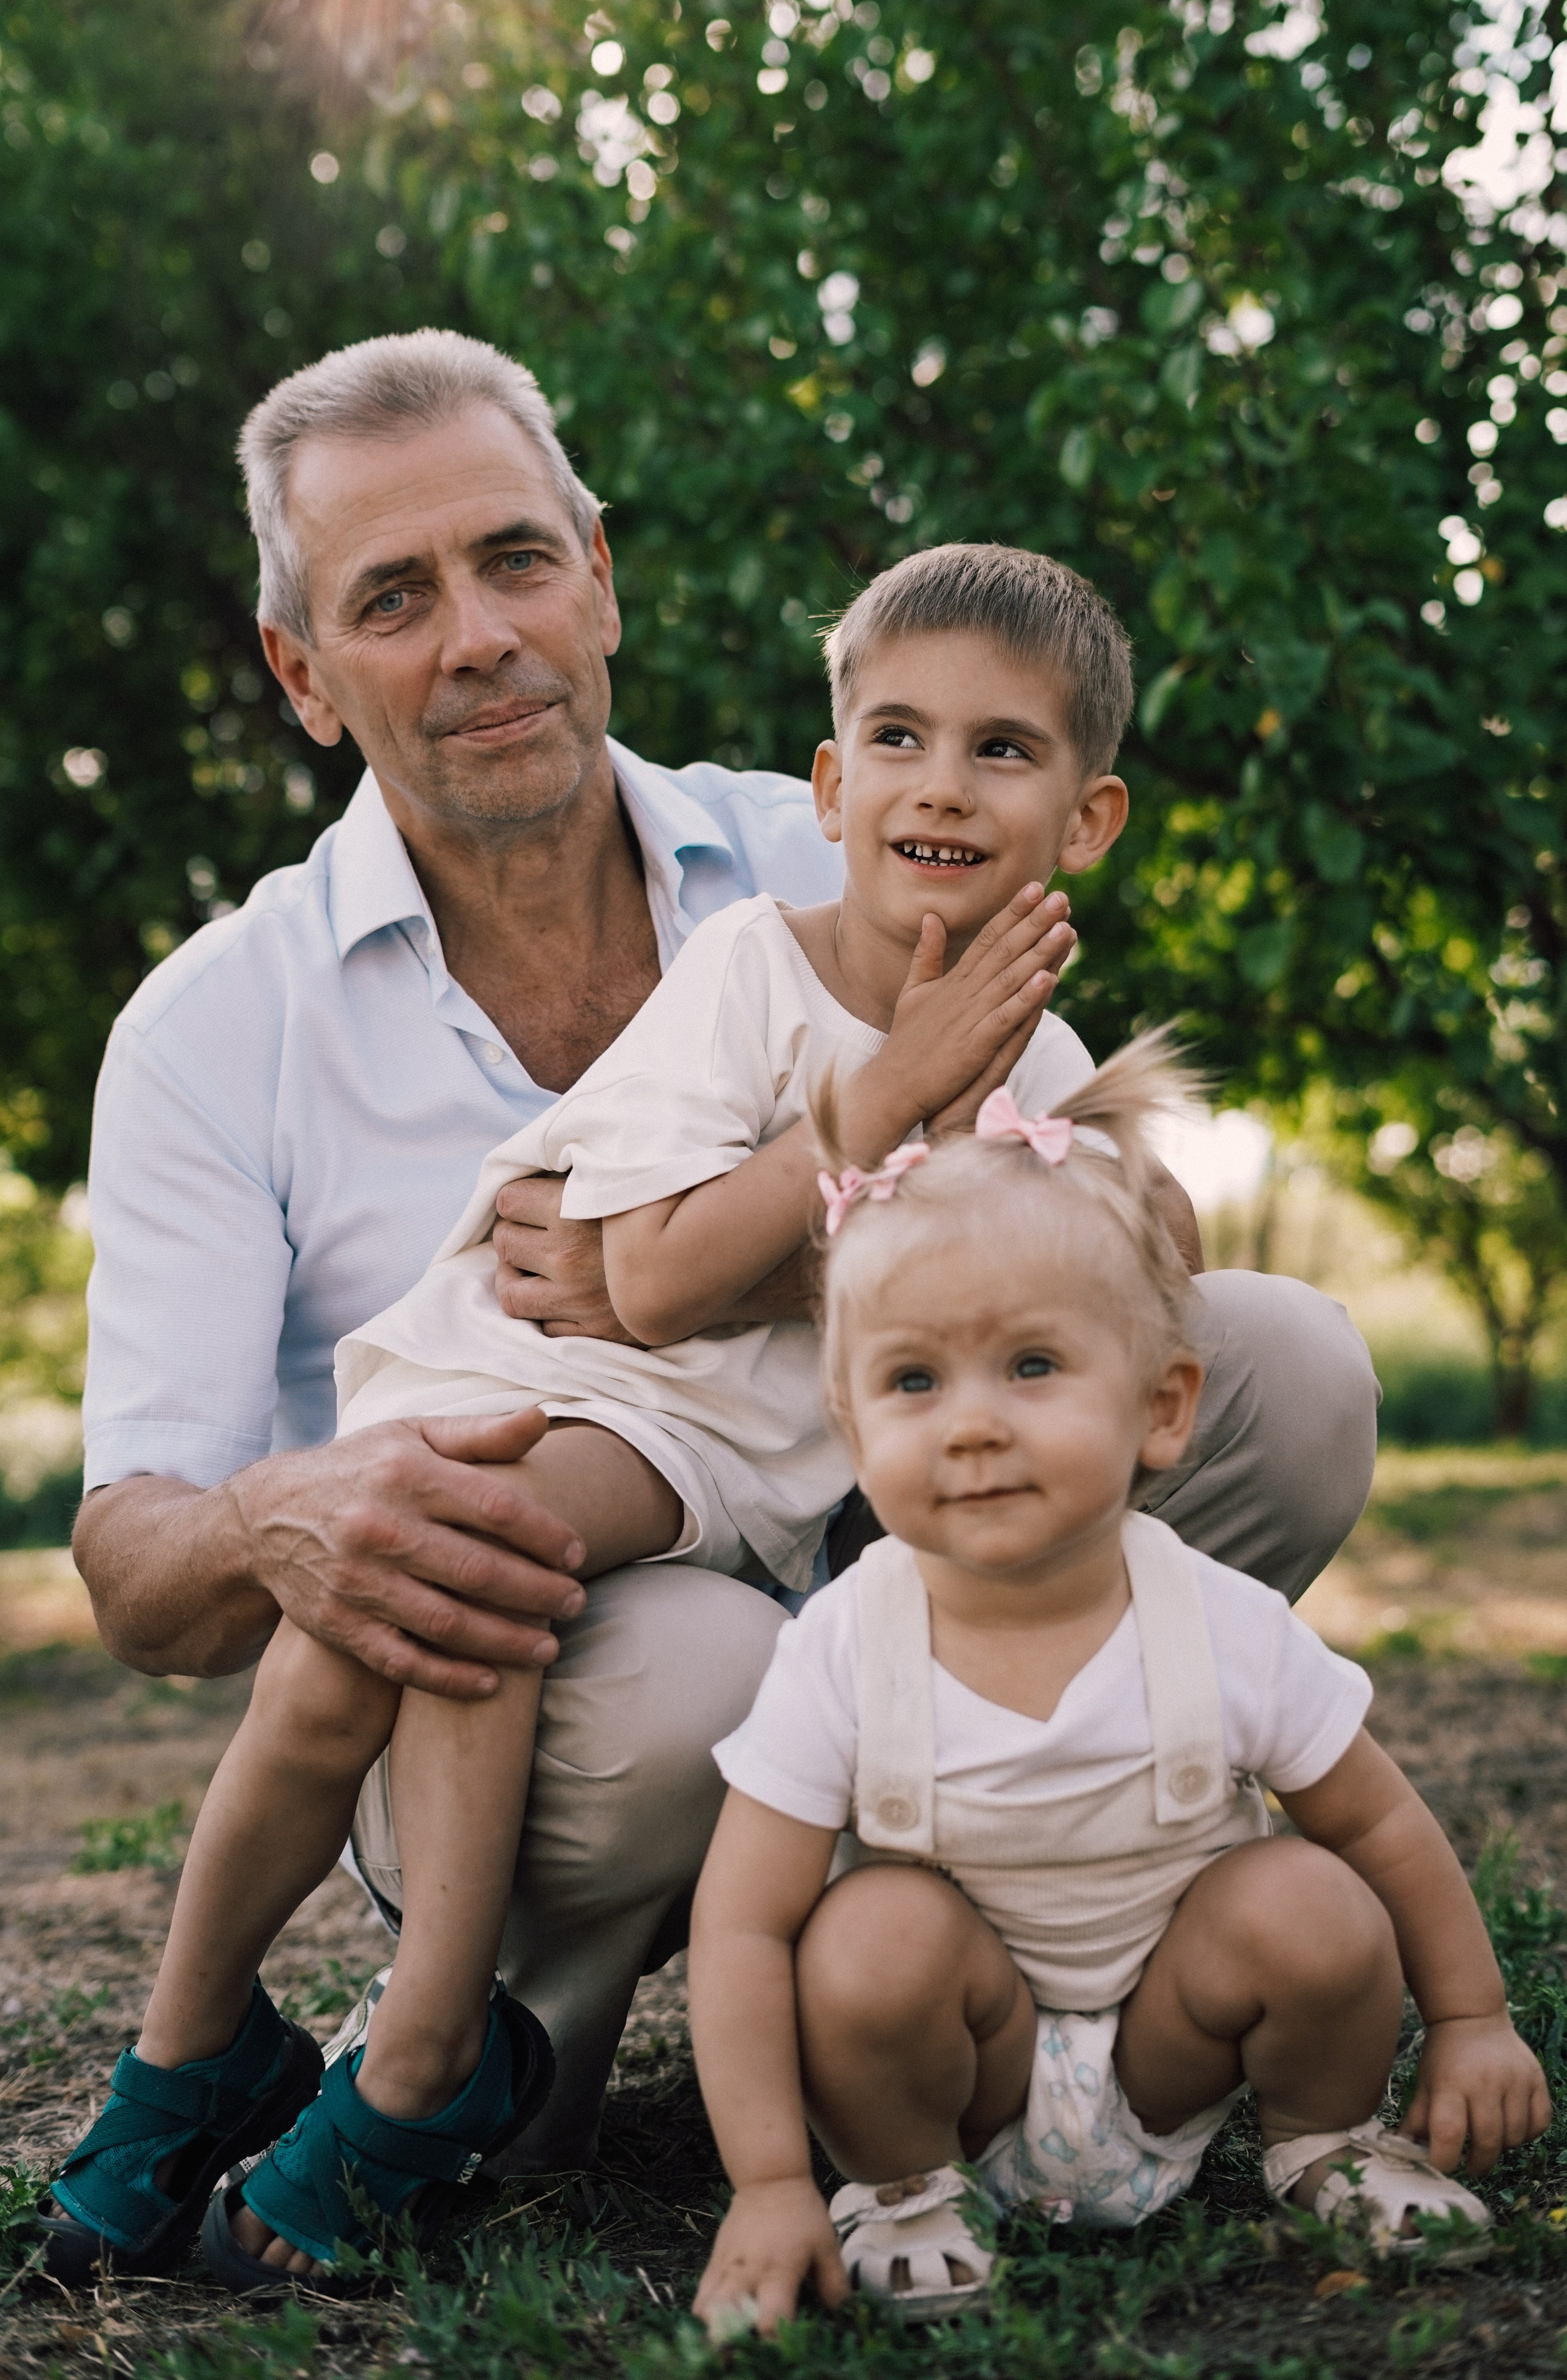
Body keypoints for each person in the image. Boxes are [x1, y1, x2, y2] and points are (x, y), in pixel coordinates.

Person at [70, 328, 1377, 2198]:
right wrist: (285, 1515)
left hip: (888, 1514)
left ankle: (1014, 1913)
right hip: (557, 1647)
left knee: (1281, 1363)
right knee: (698, 1654)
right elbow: (137, 1569)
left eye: (517, 559)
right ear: (304, 673)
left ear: (600, 576)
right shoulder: (214, 1023)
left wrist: (734, 1261)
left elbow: (1096, 1207)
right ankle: (482, 2026)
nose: (480, 637)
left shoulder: (844, 835)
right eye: (394, 598)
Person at [689, 1036, 1551, 2335]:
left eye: (1032, 1365)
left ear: (1161, 1407)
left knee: (1312, 1896)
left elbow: (1379, 1823)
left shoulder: (1215, 1618)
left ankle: (1323, 2140)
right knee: (866, 1936)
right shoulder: (844, 1645)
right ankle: (900, 2191)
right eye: (913, 1380)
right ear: (854, 1429)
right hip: (957, 2075)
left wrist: (1472, 2015)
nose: (972, 1422)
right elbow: (744, 1927)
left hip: (1170, 2052)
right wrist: (767, 2180)